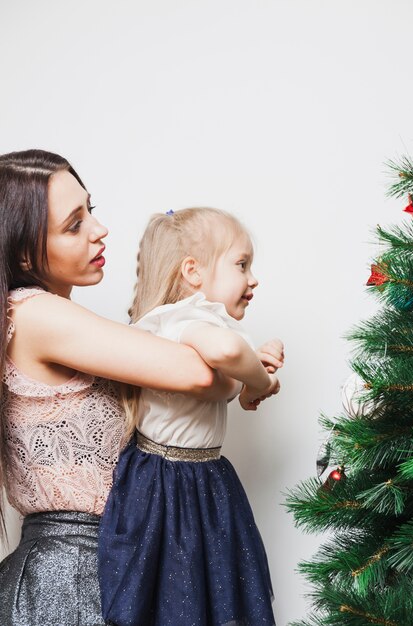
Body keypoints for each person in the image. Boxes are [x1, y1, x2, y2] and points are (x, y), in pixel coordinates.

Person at [0, 151, 236, 626]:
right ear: (24, 253)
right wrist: (246, 366)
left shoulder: (58, 321)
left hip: (112, 561)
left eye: (91, 209)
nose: (98, 229)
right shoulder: (33, 313)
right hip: (67, 577)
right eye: (74, 225)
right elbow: (199, 374)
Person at [98, 207, 284, 626]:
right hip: (167, 480)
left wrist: (251, 376)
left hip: (202, 475)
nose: (253, 278)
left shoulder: (206, 321)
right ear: (193, 273)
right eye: (241, 264)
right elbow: (229, 353)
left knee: (212, 590)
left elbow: (228, 371)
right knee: (179, 593)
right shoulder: (184, 317)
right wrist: (260, 383)